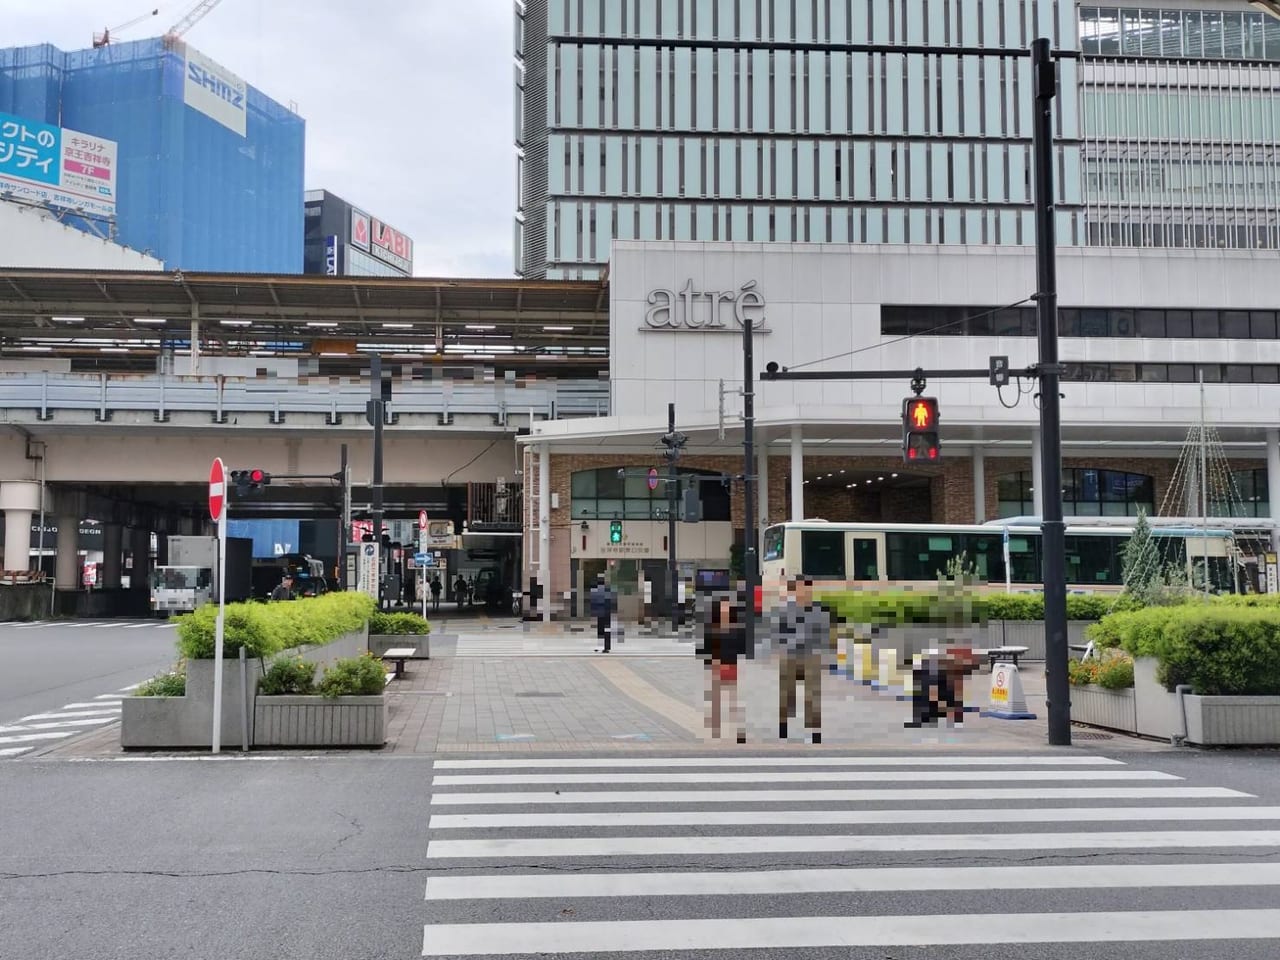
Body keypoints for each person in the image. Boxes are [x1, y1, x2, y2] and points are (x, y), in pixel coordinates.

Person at [771, 578, 833, 744]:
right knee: (786, 694)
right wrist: (780, 650)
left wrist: (823, 654)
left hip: (811, 656)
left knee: (812, 695)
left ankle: (814, 731)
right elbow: (777, 633)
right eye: (799, 589)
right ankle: (783, 728)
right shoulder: (785, 611)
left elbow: (825, 635)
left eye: (806, 589)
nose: (802, 592)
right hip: (789, 656)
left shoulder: (819, 612)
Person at [698, 588, 747, 743]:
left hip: (733, 666)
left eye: (728, 607)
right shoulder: (710, 630)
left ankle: (739, 731)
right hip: (715, 667)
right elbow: (703, 650)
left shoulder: (738, 629)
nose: (725, 610)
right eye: (722, 607)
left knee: (735, 702)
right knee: (716, 702)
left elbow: (743, 649)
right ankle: (715, 730)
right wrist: (711, 663)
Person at [588, 575, 613, 653]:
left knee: (600, 632)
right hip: (607, 613)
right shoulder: (608, 590)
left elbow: (593, 603)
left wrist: (593, 613)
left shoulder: (595, 591)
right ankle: (607, 647)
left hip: (600, 614)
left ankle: (600, 646)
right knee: (607, 631)